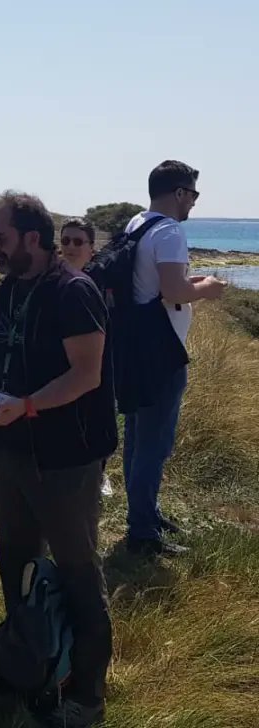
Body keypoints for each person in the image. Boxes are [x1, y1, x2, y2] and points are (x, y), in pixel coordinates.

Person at [0, 192, 115, 728]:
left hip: (66, 458)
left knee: (78, 573)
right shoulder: (9, 288)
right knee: (17, 562)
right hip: (11, 452)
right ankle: (31, 668)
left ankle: (85, 695)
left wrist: (27, 407)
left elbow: (86, 374)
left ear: (34, 238)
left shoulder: (74, 292)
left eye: (0, 239)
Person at [121, 161, 226, 557]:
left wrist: (187, 286)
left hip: (135, 344)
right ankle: (143, 532)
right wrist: (208, 288)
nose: (194, 205)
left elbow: (153, 287)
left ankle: (143, 512)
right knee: (154, 442)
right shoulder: (168, 231)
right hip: (161, 351)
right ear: (180, 193)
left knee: (137, 436)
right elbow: (173, 291)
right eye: (193, 195)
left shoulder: (136, 224)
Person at [59, 219, 112, 498]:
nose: (70, 247)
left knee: (96, 418)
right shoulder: (53, 282)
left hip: (98, 364)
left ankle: (98, 474)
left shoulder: (99, 281)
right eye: (65, 240)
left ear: (92, 248)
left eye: (78, 242)